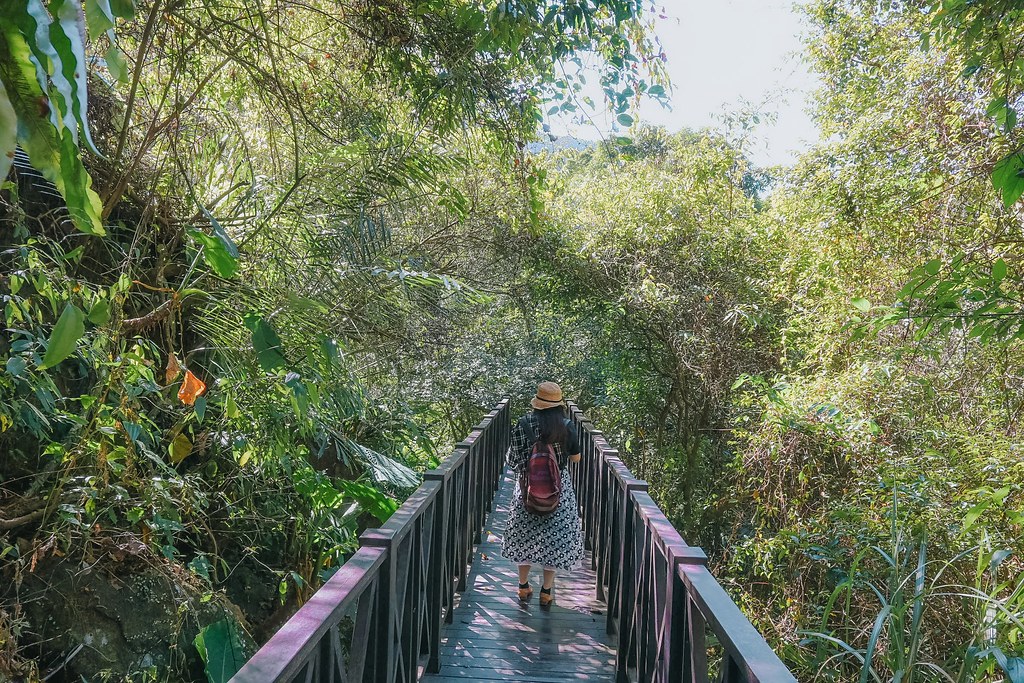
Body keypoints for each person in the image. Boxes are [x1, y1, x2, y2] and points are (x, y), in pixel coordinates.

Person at [501, 381, 584, 606]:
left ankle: (522, 586)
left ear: (537, 403)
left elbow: (512, 460)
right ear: (558, 404)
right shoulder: (566, 425)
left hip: (527, 487)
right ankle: (546, 591)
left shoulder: (523, 423)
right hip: (559, 489)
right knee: (554, 537)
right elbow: (576, 458)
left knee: (524, 535)